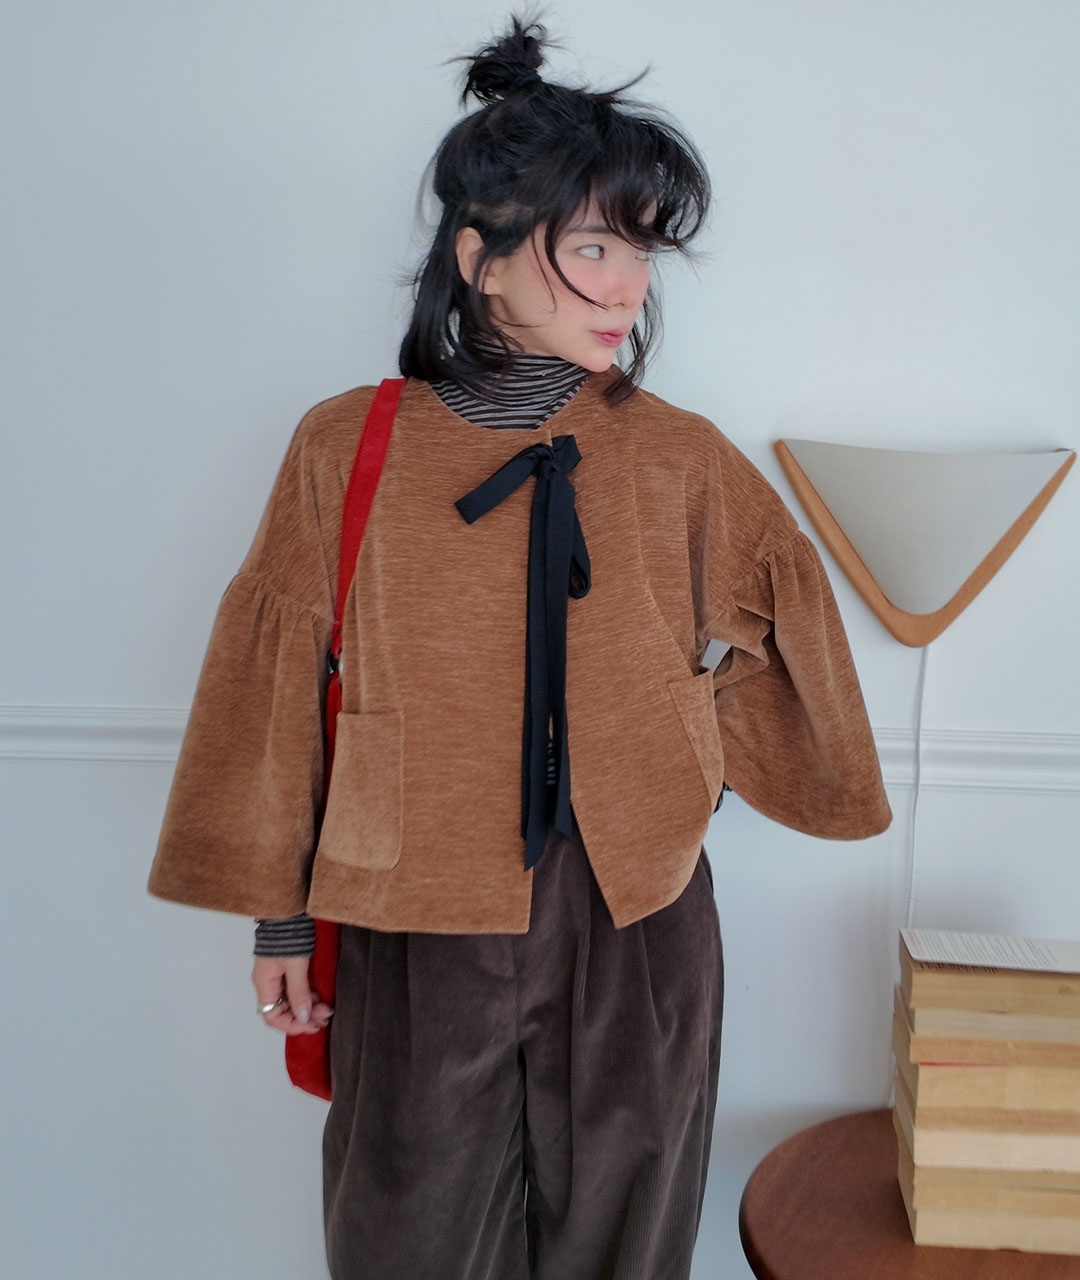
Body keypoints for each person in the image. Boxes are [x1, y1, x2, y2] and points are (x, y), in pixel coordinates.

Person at [148, 13, 891, 1280]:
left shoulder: (679, 455)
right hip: (412, 909)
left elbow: (784, 626)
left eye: (642, 249)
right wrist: (280, 918)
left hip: (636, 920)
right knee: (408, 1237)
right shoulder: (346, 443)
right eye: (594, 245)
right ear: (480, 259)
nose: (629, 285)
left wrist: (676, 743)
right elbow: (275, 676)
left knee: (627, 1242)